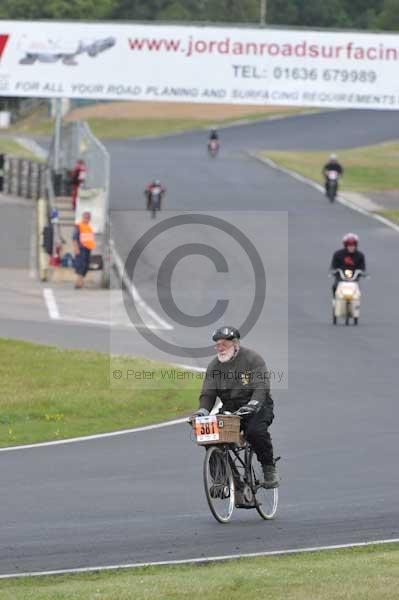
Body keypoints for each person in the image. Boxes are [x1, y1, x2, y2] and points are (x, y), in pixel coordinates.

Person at [191, 326, 279, 488]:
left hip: (258, 406)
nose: (220, 348)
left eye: (224, 344)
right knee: (211, 434)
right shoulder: (214, 366)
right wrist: (202, 411)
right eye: (217, 345)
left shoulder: (253, 359)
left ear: (236, 344)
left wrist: (253, 404)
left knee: (255, 432)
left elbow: (261, 387)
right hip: (231, 409)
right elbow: (208, 394)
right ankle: (222, 479)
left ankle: (269, 467)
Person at [72, 211, 96, 289]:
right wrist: (76, 248)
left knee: (85, 266)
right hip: (81, 249)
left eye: (88, 218)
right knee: (81, 266)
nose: (87, 219)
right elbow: (74, 238)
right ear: (83, 217)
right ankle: (78, 283)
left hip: (87, 249)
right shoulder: (79, 226)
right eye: (85, 217)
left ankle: (80, 282)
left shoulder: (89, 227)